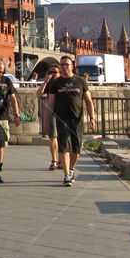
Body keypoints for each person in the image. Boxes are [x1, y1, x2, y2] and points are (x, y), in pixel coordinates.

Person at [46, 56, 96, 186]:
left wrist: (92, 118)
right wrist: (46, 123)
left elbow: (89, 101)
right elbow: (50, 103)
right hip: (62, 119)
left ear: (72, 66)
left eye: (66, 64)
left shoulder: (80, 81)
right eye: (62, 65)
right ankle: (66, 175)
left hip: (77, 119)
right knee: (64, 147)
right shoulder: (56, 83)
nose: (64, 67)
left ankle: (72, 168)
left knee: (76, 149)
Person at [36, 66, 61, 170]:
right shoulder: (50, 84)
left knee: (62, 138)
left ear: (59, 72)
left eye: (55, 72)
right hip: (52, 113)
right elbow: (38, 94)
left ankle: (61, 160)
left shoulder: (62, 82)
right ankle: (54, 160)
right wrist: (45, 82)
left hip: (64, 113)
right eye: (50, 72)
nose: (52, 74)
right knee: (53, 136)